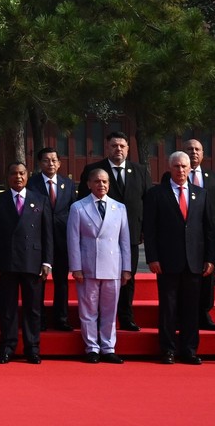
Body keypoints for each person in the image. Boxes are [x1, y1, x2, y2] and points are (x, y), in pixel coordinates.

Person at [143, 149, 215, 364]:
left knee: (191, 308)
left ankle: (189, 349)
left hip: (195, 262)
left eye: (184, 166)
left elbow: (209, 229)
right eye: (176, 166)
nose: (181, 170)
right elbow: (150, 230)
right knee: (168, 307)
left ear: (189, 168)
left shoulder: (201, 194)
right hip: (167, 261)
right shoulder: (157, 194)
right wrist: (152, 258)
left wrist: (210, 258)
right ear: (170, 168)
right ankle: (167, 349)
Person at [0, 160, 52, 363]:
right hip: (5, 262)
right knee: (7, 308)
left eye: (22, 173)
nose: (18, 177)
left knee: (32, 308)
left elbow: (47, 234)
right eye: (14, 173)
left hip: (33, 261)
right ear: (8, 177)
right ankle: (8, 346)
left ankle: (32, 347)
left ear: (27, 175)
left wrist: (47, 262)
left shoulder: (40, 199)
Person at [82, 130, 149, 332]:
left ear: (128, 148)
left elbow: (147, 202)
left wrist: (145, 229)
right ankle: (101, 318)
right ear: (107, 147)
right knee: (101, 279)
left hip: (131, 235)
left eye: (122, 145)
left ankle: (126, 317)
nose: (118, 149)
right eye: (114, 145)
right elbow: (83, 204)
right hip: (100, 236)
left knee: (127, 277)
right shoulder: (94, 170)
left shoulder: (140, 171)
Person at [68, 166, 131, 362]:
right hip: (88, 267)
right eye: (97, 181)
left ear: (109, 184)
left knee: (110, 310)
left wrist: (126, 268)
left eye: (104, 181)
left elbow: (125, 240)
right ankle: (92, 348)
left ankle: (108, 347)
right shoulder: (78, 207)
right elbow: (73, 240)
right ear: (88, 184)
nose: (101, 185)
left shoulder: (119, 208)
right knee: (88, 311)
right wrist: (76, 267)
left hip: (112, 266)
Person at [184, 137, 215, 332]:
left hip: (207, 235)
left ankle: (204, 313)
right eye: (190, 149)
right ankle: (184, 315)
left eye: (197, 150)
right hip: (184, 236)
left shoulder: (213, 177)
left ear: (203, 154)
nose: (193, 153)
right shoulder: (175, 175)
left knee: (207, 275)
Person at [29, 146, 75, 330]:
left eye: (54, 160)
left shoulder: (68, 184)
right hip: (39, 239)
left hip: (62, 240)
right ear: (40, 163)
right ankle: (38, 319)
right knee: (39, 281)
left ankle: (61, 319)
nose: (51, 164)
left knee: (62, 282)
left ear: (59, 163)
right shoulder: (32, 184)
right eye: (46, 160)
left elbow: (73, 211)